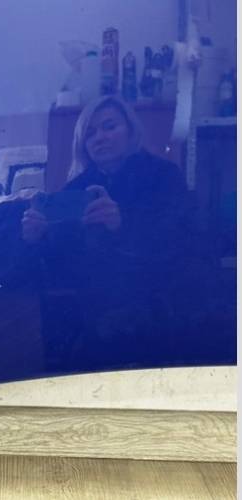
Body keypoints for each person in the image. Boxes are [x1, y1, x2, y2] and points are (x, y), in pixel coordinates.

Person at [21, 95, 192, 368]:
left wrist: (122, 226)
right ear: (83, 144)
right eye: (90, 133)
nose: (99, 137)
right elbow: (61, 268)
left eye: (109, 126)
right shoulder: (74, 190)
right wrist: (38, 239)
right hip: (93, 326)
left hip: (158, 322)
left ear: (131, 131)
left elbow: (182, 245)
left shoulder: (164, 176)